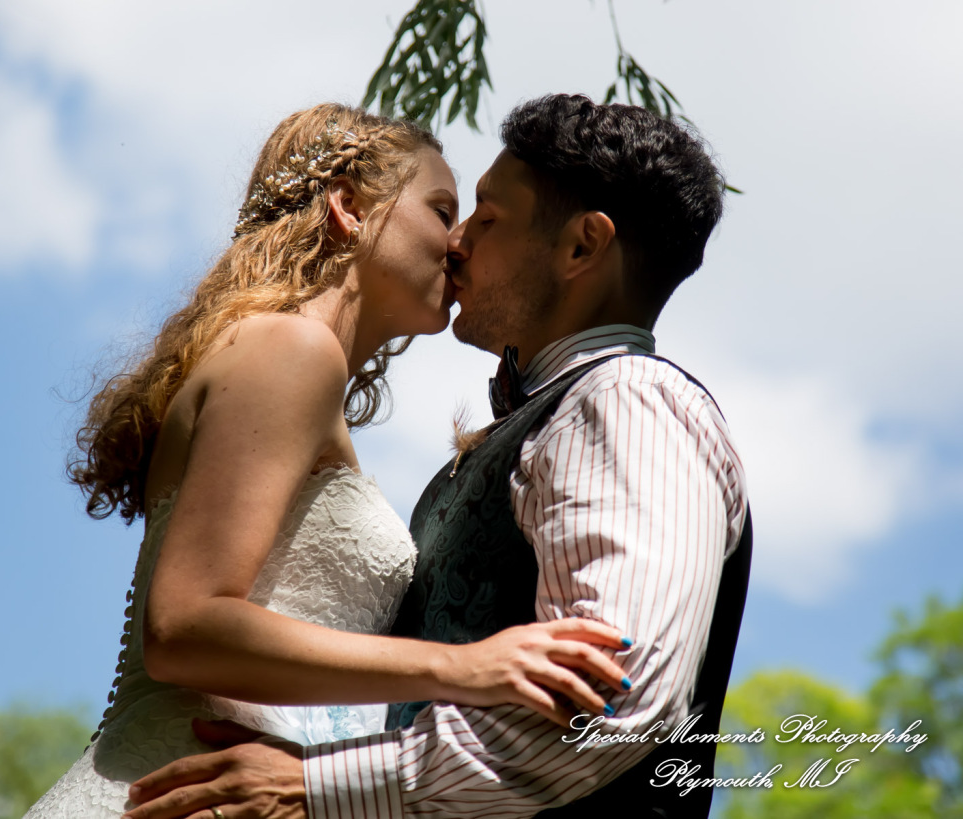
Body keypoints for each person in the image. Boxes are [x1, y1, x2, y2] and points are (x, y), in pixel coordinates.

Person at [123, 94, 752, 819]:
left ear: (582, 247)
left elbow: (615, 695)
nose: (459, 241)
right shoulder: (525, 431)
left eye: (486, 217)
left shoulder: (629, 400)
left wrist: (318, 787)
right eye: (451, 213)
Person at [21, 102, 634, 819]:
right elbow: (183, 626)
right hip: (174, 793)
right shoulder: (290, 348)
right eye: (442, 210)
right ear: (347, 207)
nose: (461, 241)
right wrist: (466, 667)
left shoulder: (291, 362)